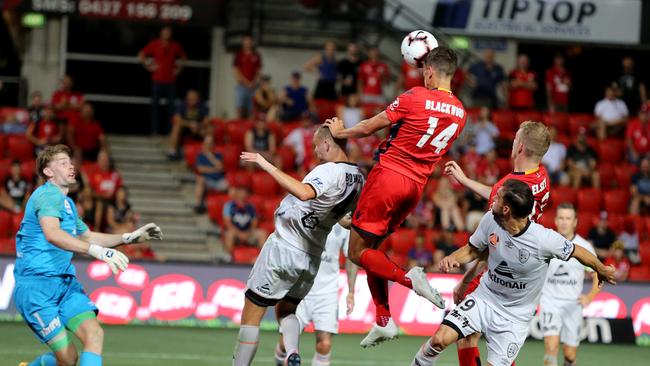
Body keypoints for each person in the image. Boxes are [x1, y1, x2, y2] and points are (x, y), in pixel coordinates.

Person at [325, 46, 466, 347]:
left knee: (355, 252)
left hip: (389, 177)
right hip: (415, 189)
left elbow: (367, 128)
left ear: (428, 70)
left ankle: (409, 279)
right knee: (371, 248)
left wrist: (340, 132)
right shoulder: (461, 114)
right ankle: (383, 320)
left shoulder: (415, 96)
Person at [410, 179, 616, 366]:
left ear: (506, 209)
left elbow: (577, 251)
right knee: (438, 340)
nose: (493, 199)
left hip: (515, 318)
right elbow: (473, 249)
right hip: (485, 298)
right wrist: (453, 259)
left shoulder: (543, 239)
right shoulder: (490, 219)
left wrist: (601, 269)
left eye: (498, 197)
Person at [14, 144, 162, 366]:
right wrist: (97, 252)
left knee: (94, 334)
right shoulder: (46, 195)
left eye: (70, 162)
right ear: (48, 171)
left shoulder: (68, 204)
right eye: (63, 163)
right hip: (37, 288)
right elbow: (53, 234)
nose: (71, 166)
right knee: (67, 358)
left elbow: (88, 237)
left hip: (65, 286)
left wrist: (129, 237)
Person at [232, 126, 364, 365]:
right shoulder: (358, 178)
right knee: (287, 310)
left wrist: (266, 164)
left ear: (327, 144)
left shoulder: (328, 171)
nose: (315, 150)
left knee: (252, 312)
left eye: (316, 145)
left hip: (285, 248)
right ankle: (292, 351)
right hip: (311, 257)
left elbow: (304, 193)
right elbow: (347, 220)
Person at [444, 120, 552, 366]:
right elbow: (496, 193)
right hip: (527, 270)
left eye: (515, 137)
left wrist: (467, 278)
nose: (512, 141)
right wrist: (467, 181)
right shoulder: (540, 177)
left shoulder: (511, 187)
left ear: (521, 146)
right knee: (499, 347)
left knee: (465, 330)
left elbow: (492, 243)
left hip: (506, 267)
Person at [274, 220, 358, 366]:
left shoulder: (344, 223)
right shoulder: (310, 212)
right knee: (286, 344)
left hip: (327, 292)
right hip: (299, 289)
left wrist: (351, 291)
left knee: (324, 344)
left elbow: (351, 256)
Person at [539, 203, 600, 366]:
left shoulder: (584, 247)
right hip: (549, 301)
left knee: (570, 354)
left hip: (573, 305)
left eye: (568, 218)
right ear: (556, 221)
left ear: (575, 222)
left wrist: (590, 296)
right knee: (551, 347)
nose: (564, 222)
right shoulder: (546, 241)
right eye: (561, 218)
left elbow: (598, 275)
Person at [138, 26, 186, 135]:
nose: (167, 34)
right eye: (165, 32)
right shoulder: (154, 44)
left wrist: (178, 69)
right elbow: (141, 55)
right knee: (155, 108)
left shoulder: (175, 45)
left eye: (168, 32)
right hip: (157, 80)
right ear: (161, 33)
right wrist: (149, 66)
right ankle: (155, 131)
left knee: (171, 108)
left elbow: (183, 58)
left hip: (170, 81)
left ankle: (169, 131)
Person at [221, 186, 266, 260]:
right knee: (229, 234)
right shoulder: (229, 205)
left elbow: (254, 222)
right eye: (241, 191)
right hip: (235, 232)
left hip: (248, 232)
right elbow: (228, 223)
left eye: (245, 192)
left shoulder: (251, 207)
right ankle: (228, 256)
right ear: (237, 193)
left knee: (262, 233)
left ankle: (262, 258)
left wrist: (248, 233)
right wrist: (239, 234)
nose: (243, 194)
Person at [167, 90, 210, 160]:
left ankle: (207, 152)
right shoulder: (182, 105)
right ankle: (172, 151)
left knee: (209, 129)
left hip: (198, 129)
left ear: (198, 98)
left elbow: (206, 121)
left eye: (194, 98)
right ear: (187, 98)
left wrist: (198, 125)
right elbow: (176, 119)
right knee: (176, 127)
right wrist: (189, 124)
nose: (192, 100)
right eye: (190, 98)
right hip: (185, 128)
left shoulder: (202, 106)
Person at [233, 35, 262, 119]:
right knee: (239, 106)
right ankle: (238, 123)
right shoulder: (238, 55)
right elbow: (236, 70)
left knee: (253, 108)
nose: (247, 44)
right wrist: (246, 82)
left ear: (252, 43)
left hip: (253, 86)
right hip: (242, 85)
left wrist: (254, 82)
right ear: (243, 43)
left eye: (249, 42)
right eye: (246, 42)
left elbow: (258, 71)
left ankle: (251, 124)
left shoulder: (256, 55)